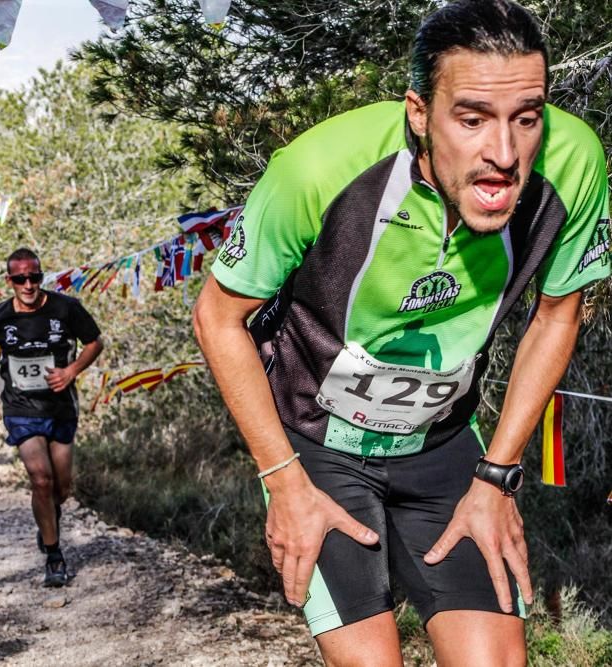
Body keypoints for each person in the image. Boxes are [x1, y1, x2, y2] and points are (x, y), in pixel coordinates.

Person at [192, 1, 610, 664]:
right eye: (471, 118)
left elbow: (557, 314)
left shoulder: (575, 165)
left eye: (527, 119)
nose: (504, 154)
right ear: (419, 113)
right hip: (315, 444)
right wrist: (286, 482)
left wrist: (497, 476)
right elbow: (218, 316)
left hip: (442, 443)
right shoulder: (316, 171)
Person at [0, 248, 103, 588]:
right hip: (20, 408)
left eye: (34, 277)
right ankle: (54, 555)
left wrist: (71, 371)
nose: (28, 285)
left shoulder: (65, 308)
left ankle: (49, 521)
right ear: (9, 281)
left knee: (62, 486)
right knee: (40, 480)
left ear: (41, 276)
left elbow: (95, 342)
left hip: (60, 407)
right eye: (20, 279)